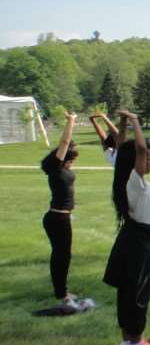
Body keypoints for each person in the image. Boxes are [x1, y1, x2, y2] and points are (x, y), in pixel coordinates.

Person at [103, 110, 150, 345]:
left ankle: (128, 341)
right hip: (138, 243)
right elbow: (136, 149)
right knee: (138, 292)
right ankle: (135, 344)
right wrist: (137, 120)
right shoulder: (134, 181)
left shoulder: (126, 179)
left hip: (134, 239)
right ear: (138, 161)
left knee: (129, 290)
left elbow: (121, 144)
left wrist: (124, 123)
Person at [41, 111, 79, 307]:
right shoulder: (56, 169)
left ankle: (62, 290)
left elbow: (67, 145)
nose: (71, 165)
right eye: (70, 161)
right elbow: (64, 143)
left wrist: (72, 143)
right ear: (60, 160)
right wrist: (71, 122)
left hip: (60, 217)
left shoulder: (59, 169)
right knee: (62, 256)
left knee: (62, 255)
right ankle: (62, 294)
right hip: (58, 218)